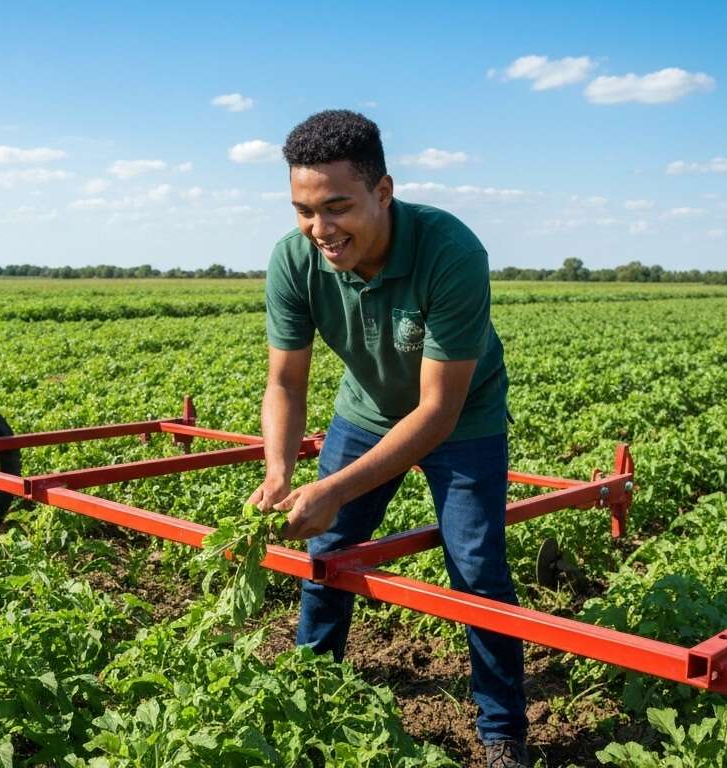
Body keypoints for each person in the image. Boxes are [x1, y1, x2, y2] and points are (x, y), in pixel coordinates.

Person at [246, 109, 530, 767]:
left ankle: (502, 731)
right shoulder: (295, 261)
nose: (320, 229)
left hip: (464, 419)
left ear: (383, 191)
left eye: (337, 207)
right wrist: (281, 471)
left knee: (477, 569)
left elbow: (437, 413)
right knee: (328, 554)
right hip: (365, 410)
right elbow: (285, 384)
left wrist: (334, 486)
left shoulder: (450, 252)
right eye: (303, 210)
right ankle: (310, 693)